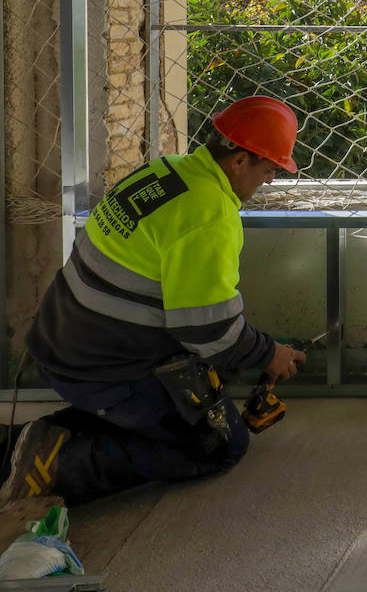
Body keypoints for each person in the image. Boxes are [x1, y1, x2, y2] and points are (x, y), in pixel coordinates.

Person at [0, 96, 307, 505]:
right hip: (100, 368)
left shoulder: (167, 170)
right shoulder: (209, 215)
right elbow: (209, 331)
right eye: (269, 169)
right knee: (218, 443)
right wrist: (270, 354)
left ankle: (24, 443)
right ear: (238, 161)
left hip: (58, 339)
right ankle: (59, 467)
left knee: (202, 390)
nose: (269, 180)